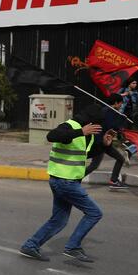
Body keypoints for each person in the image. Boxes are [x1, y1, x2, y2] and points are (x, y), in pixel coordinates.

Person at [19, 106, 111, 262]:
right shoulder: (72, 126)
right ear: (91, 121)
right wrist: (81, 131)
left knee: (59, 220)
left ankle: (30, 245)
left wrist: (103, 144)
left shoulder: (85, 134)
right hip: (65, 182)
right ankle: (73, 247)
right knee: (94, 213)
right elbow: (51, 136)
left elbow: (84, 154)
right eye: (98, 124)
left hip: (64, 180)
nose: (99, 128)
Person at [84, 96, 128, 189]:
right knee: (94, 165)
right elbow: (111, 126)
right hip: (99, 143)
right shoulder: (108, 112)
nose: (121, 105)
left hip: (105, 142)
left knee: (120, 159)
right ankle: (75, 180)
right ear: (116, 103)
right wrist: (122, 120)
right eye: (121, 103)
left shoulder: (109, 111)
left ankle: (114, 180)